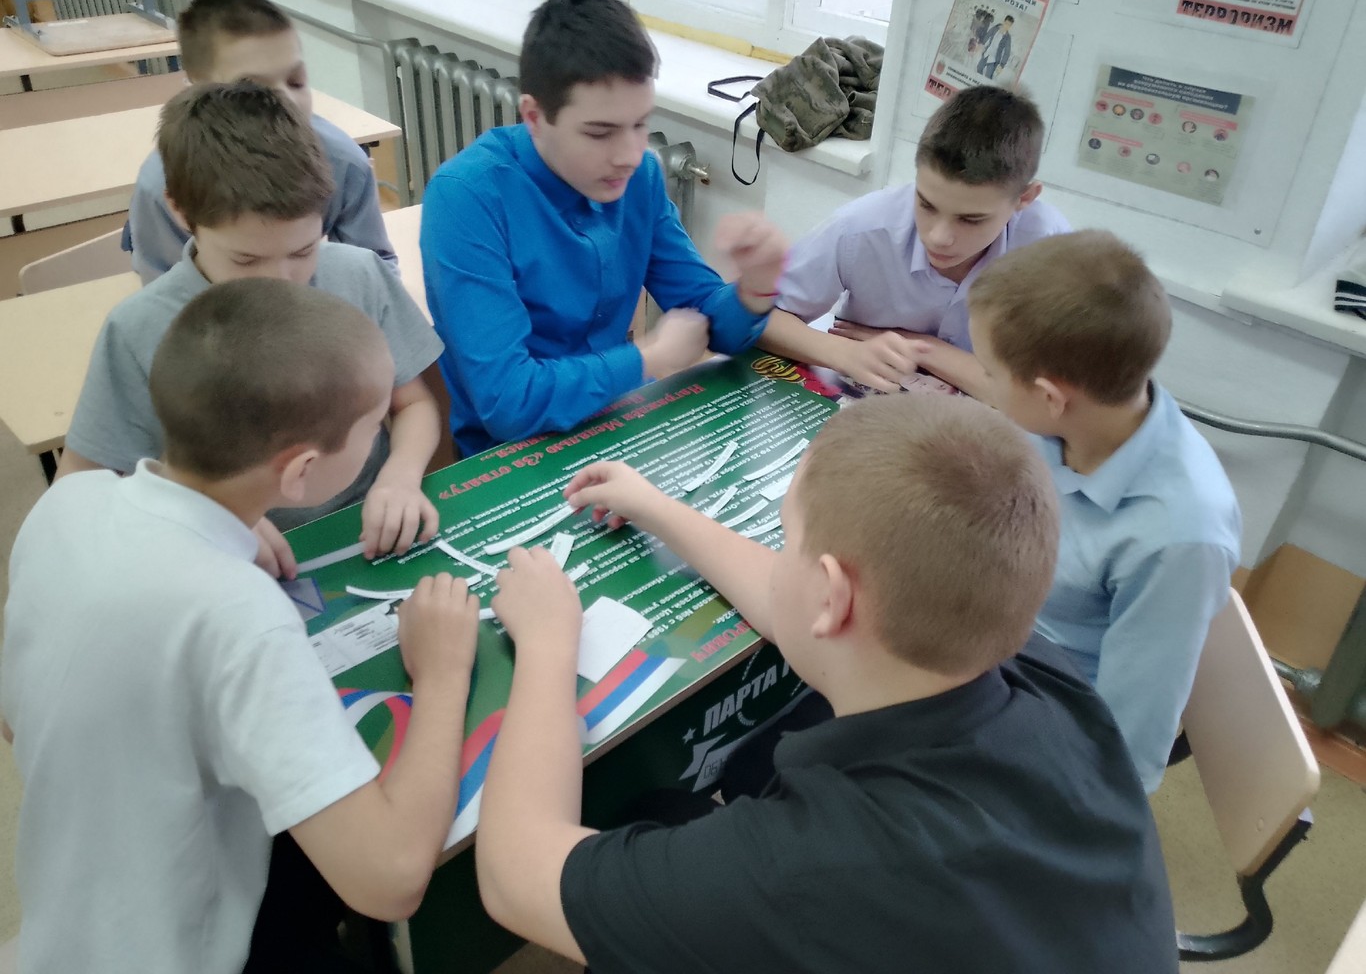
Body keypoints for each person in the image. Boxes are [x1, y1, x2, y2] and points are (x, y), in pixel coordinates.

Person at [474, 393, 1179, 973]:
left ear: (834, 595)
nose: (780, 558)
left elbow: (514, 876)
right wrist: (658, 509)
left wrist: (548, 643)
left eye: (788, 540)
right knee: (672, 810)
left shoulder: (810, 870)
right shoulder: (1034, 668)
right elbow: (801, 604)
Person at [1, 280, 476, 974]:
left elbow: (16, 719)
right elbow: (391, 879)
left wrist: (228, 525)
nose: (381, 434)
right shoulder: (238, 615)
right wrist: (442, 674)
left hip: (67, 921)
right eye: (374, 425)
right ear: (302, 472)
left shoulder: (68, 503)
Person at [57, 82, 445, 578]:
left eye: (303, 251)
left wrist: (401, 477)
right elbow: (77, 490)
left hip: (366, 531)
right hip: (222, 562)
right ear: (180, 210)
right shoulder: (138, 328)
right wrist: (200, 515)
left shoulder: (357, 275)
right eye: (246, 259)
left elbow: (415, 403)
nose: (281, 281)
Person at [421, 0, 788, 456]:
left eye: (641, 124)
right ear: (534, 116)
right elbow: (508, 401)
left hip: (619, 422)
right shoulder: (468, 197)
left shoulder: (641, 178)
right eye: (600, 133)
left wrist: (755, 289)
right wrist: (646, 359)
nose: (630, 155)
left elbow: (706, 319)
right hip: (513, 454)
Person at [968, 230, 1242, 792]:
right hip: (998, 639)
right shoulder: (1066, 426)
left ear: (1051, 397)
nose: (986, 386)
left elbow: (1126, 749)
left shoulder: (1177, 535)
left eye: (990, 374)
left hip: (1049, 708)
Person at [759, 85, 1069, 398]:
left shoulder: (1050, 252)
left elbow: (1045, 393)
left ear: (1024, 198)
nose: (938, 237)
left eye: (970, 219)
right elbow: (757, 317)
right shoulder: (862, 227)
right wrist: (844, 353)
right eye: (926, 204)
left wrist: (925, 349)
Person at [123, 0, 397, 284]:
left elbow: (377, 268)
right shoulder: (161, 184)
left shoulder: (345, 163)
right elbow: (166, 289)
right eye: (252, 90)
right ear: (198, 90)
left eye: (296, 81)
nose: (286, 101)